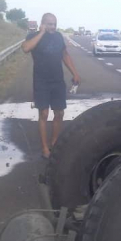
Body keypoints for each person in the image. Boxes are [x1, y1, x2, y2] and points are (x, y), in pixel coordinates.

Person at [22, 13, 80, 158]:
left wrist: (75, 73)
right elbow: (26, 48)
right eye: (49, 24)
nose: (52, 27)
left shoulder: (59, 36)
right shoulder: (33, 36)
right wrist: (41, 32)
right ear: (43, 23)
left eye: (54, 24)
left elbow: (65, 55)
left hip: (57, 81)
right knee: (43, 113)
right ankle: (45, 148)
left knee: (59, 113)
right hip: (41, 81)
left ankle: (54, 142)